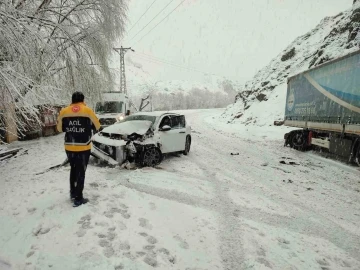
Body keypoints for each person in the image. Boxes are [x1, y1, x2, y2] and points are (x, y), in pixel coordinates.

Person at [57, 92, 100, 207]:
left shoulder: (64, 111)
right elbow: (97, 126)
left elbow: (60, 129)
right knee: (81, 171)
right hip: (84, 146)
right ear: (82, 100)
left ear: (72, 100)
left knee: (73, 169)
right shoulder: (88, 111)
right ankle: (78, 198)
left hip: (69, 146)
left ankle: (73, 192)